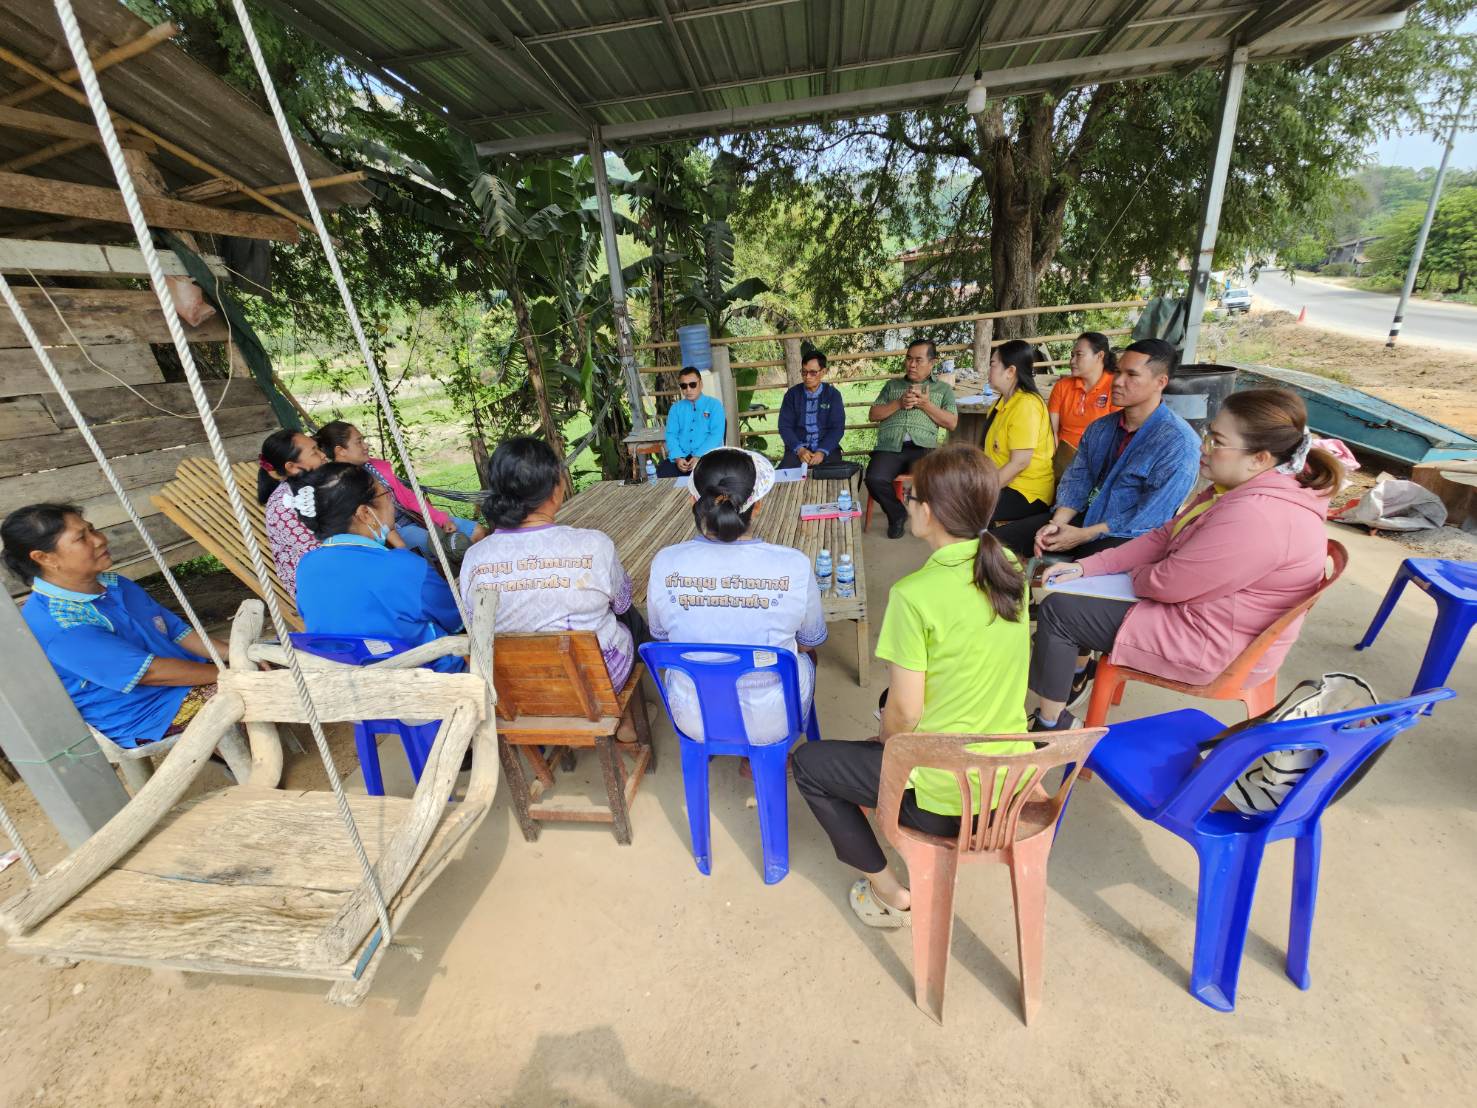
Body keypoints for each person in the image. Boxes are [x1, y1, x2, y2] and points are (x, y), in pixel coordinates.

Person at [792, 445, 1032, 927]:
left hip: (946, 798)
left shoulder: (913, 596)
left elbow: (905, 715)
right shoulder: (1007, 565)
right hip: (1007, 783)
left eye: (911, 494)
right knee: (887, 708)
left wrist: (886, 744)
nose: (906, 500)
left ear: (932, 512)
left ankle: (891, 893)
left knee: (809, 764)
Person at [1028, 387, 1342, 731]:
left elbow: (1167, 584)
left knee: (1058, 610)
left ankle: (1051, 726)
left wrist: (1127, 576)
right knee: (1077, 584)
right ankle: (1072, 677)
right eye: (1208, 434)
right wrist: (1088, 567)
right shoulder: (1235, 488)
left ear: (1260, 458)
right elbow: (1164, 536)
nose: (1202, 448)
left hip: (1217, 641)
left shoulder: (1259, 515)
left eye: (1216, 442)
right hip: (1209, 611)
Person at [5, 503, 228, 746]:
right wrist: (231, 675)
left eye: (92, 530)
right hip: (145, 711)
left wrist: (235, 655)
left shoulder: (112, 583)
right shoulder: (61, 624)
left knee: (270, 660)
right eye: (82, 538)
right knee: (255, 692)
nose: (100, 540)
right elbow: (149, 673)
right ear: (44, 558)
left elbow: (174, 630)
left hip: (178, 682)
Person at [646, 448, 826, 745]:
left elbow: (662, 638)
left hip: (694, 717)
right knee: (805, 658)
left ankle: (717, 746)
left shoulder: (665, 562)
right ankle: (768, 754)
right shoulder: (794, 564)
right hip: (771, 720)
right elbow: (809, 642)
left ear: (694, 501)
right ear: (757, 506)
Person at [993, 338, 1201, 561]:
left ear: (1160, 382)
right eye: (1118, 372)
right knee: (991, 546)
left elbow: (1148, 518)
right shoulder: (1101, 428)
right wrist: (1056, 525)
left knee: (1068, 577)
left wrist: (1083, 536)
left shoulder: (1179, 444)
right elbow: (1077, 482)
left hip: (1127, 538)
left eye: (1131, 375)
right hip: (1081, 519)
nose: (1118, 382)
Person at [460, 436, 642, 690]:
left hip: (516, 688)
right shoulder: (595, 545)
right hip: (596, 684)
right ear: (556, 489)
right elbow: (622, 602)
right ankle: (628, 726)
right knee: (630, 617)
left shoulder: (475, 557)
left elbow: (474, 624)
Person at [289, 463, 465, 673]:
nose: (392, 500)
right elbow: (456, 621)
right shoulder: (405, 566)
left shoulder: (306, 566)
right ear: (364, 513)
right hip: (430, 679)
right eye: (386, 493)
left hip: (348, 680)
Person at [315, 420, 487, 555]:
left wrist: (441, 519)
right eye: (359, 442)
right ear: (341, 450)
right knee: (452, 548)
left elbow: (410, 498)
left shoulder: (375, 467)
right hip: (396, 531)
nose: (366, 446)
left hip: (417, 518)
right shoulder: (340, 485)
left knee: (478, 532)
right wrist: (400, 547)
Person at [865, 338, 958, 538]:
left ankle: (930, 522)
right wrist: (898, 403)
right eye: (908, 359)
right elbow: (874, 414)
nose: (912, 365)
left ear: (932, 363)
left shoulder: (943, 390)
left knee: (932, 480)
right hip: (890, 446)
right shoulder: (892, 386)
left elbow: (952, 422)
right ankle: (897, 514)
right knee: (874, 478)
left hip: (923, 447)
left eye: (918, 360)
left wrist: (926, 405)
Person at [982, 339, 1056, 530]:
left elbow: (1020, 462)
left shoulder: (1026, 405)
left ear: (1011, 371)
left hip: (1027, 491)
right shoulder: (1001, 403)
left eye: (992, 365)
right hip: (1005, 483)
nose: (988, 370)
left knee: (968, 508)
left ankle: (984, 553)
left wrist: (984, 491)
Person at [258, 428, 328, 596]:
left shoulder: (319, 484)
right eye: (314, 452)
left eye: (318, 448)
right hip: (319, 585)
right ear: (292, 467)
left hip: (344, 560)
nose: (323, 455)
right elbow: (320, 554)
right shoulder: (284, 506)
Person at [1047, 332, 1119, 451]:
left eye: (1079, 355)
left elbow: (1117, 436)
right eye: (1072, 355)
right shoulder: (1062, 386)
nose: (1072, 361)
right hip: (1064, 457)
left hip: (1098, 458)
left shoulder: (1115, 386)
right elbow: (1051, 431)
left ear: (1099, 356)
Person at [777, 349, 845, 470]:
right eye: (804, 372)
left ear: (823, 372)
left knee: (835, 475)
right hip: (797, 450)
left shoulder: (833, 395)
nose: (807, 377)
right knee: (784, 476)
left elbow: (837, 428)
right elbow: (784, 426)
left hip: (827, 449)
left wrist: (822, 451)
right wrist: (800, 449)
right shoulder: (792, 395)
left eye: (813, 373)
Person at [658, 366, 726, 477]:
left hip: (708, 457)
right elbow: (671, 434)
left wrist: (699, 456)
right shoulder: (675, 409)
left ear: (701, 384)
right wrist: (678, 458)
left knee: (708, 479)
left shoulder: (714, 405)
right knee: (662, 475)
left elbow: (716, 435)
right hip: (682, 459)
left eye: (692, 384)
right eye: (684, 386)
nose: (688, 389)